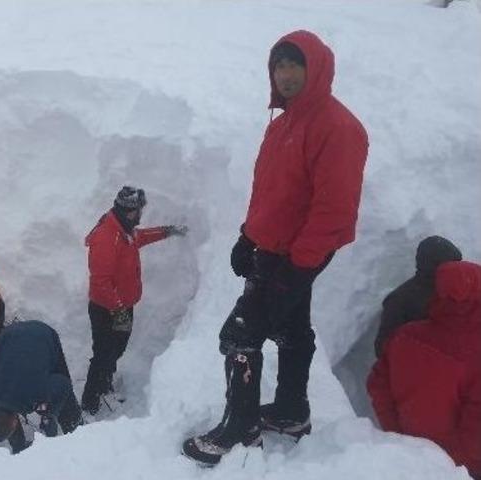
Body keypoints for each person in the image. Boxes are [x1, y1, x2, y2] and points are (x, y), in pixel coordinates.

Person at [182, 30, 368, 465]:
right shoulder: (283, 124)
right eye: (278, 66)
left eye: (294, 65)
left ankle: (241, 428)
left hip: (298, 254)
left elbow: (334, 209)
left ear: (316, 68)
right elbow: (271, 192)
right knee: (292, 329)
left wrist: (299, 266)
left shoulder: (338, 128)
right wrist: (249, 235)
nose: (285, 75)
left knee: (239, 335)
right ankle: (290, 411)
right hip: (274, 248)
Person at [367, 261, 481, 479]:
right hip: (464, 467)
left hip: (412, 453)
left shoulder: (406, 335)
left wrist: (396, 431)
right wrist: (455, 460)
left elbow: (377, 384)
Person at [80, 185, 188, 415]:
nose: (141, 215)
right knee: (102, 354)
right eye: (139, 210)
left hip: (123, 307)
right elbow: (100, 282)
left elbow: (141, 237)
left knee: (117, 348)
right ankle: (89, 403)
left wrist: (167, 231)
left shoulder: (124, 230)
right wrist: (118, 310)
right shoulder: (107, 238)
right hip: (106, 309)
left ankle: (105, 384)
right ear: (130, 211)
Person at [0, 320, 82, 454]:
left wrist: (50, 412)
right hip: (10, 335)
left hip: (43, 335)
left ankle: (79, 433)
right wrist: (19, 447)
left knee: (63, 389)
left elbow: (64, 384)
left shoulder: (37, 394)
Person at [374, 236, 462, 357]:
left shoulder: (457, 291)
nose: (459, 270)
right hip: (420, 367)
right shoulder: (400, 300)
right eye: (452, 265)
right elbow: (384, 348)